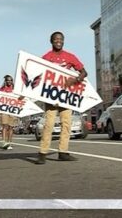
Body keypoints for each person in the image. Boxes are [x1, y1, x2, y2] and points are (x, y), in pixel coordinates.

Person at [35, 31, 87, 164]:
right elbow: (37, 76)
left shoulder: (70, 56)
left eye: (61, 39)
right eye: (56, 39)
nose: (59, 41)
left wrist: (75, 80)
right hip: (51, 97)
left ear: (63, 41)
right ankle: (42, 153)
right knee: (49, 125)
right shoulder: (46, 57)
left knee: (66, 124)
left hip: (66, 96)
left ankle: (63, 152)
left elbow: (84, 72)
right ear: (51, 41)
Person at [0, 75, 23, 150]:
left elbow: (20, 99)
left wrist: (22, 96)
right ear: (5, 81)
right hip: (4, 110)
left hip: (13, 110)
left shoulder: (15, 90)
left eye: (11, 80)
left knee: (11, 127)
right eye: (8, 80)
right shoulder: (1, 89)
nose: (9, 81)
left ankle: (9, 143)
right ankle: (4, 142)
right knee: (5, 126)